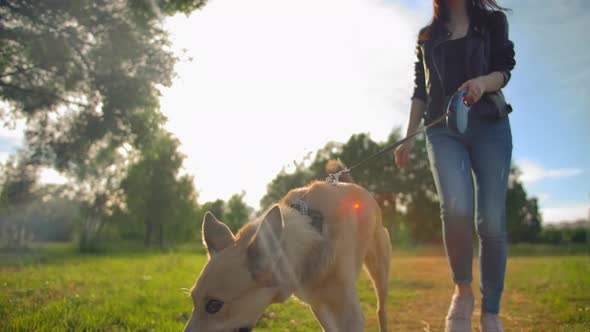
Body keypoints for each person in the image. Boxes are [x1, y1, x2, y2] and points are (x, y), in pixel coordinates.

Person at [394, 0, 515, 331]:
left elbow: (504, 69)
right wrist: (409, 137)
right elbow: (421, 90)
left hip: (490, 124)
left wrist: (482, 82)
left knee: (491, 220)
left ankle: (490, 312)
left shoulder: (492, 22)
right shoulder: (426, 36)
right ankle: (462, 291)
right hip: (442, 131)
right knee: (456, 206)